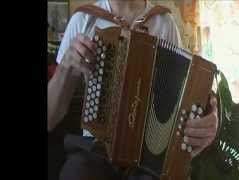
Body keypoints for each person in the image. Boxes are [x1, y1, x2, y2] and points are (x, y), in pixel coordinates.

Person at [48, 0, 219, 179]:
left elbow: (184, 92)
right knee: (77, 173)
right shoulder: (83, 19)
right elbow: (50, 118)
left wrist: (211, 115)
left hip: (147, 158)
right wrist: (66, 64)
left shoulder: (164, 22)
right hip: (95, 150)